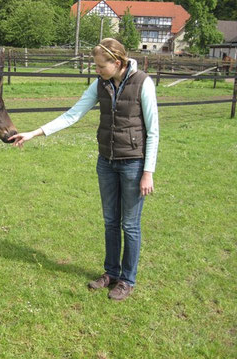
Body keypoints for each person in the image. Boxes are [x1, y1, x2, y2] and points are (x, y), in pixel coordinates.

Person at [9, 38, 159, 301]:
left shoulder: (143, 83)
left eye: (101, 66)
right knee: (111, 221)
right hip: (107, 162)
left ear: (118, 62)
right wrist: (35, 132)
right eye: (96, 65)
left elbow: (154, 131)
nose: (97, 70)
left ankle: (127, 280)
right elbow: (73, 114)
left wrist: (148, 171)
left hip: (133, 163)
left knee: (130, 225)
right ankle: (111, 273)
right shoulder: (100, 84)